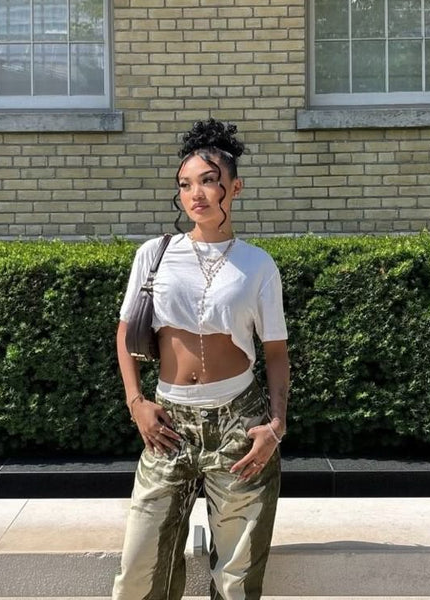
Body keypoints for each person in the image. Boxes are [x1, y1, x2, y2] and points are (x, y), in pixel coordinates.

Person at [113, 118, 290, 600]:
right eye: (186, 184)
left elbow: (275, 352)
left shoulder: (257, 264)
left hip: (239, 423)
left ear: (235, 187)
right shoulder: (155, 254)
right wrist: (136, 403)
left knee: (235, 582)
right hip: (168, 423)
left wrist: (276, 425)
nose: (196, 194)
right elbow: (125, 333)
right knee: (138, 572)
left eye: (209, 181)